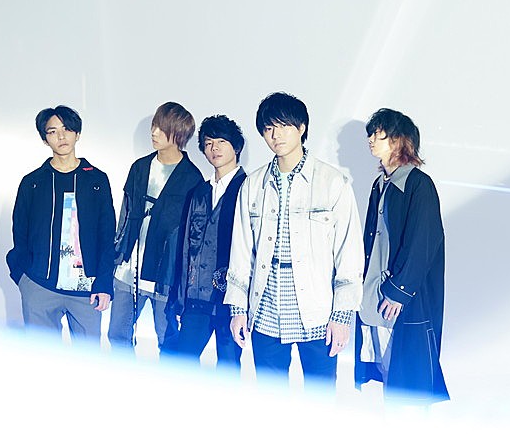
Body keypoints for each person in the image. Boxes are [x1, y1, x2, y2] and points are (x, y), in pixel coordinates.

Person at [224, 92, 363, 388]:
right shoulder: (253, 185)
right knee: (271, 399)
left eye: (284, 126)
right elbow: (241, 251)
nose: (276, 135)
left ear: (301, 128)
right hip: (266, 310)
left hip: (317, 312)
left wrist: (342, 315)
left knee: (319, 399)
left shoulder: (332, 182)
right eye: (269, 128)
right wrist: (237, 309)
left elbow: (349, 252)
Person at [354, 108, 449, 404]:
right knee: (387, 371)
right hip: (376, 295)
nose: (371, 140)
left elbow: (423, 242)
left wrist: (399, 291)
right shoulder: (380, 184)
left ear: (398, 140)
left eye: (378, 134)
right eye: (371, 134)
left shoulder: (418, 184)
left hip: (401, 299)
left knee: (409, 379)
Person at [6, 105, 116, 344]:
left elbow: (107, 235)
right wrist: (24, 278)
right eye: (52, 131)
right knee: (43, 358)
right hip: (40, 285)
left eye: (67, 129)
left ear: (77, 133)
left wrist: (105, 281)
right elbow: (20, 231)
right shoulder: (33, 182)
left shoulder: (97, 180)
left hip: (86, 288)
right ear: (45, 139)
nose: (61, 136)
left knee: (88, 359)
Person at [109, 102, 203, 352]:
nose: (154, 133)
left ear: (178, 134)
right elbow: (125, 215)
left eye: (162, 128)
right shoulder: (140, 167)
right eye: (154, 126)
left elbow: (191, 235)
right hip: (130, 267)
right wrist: (117, 255)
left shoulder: (192, 178)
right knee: (118, 333)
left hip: (166, 274)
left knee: (168, 340)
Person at [169, 115, 246, 370]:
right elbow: (184, 248)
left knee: (228, 368)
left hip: (231, 301)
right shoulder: (198, 192)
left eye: (221, 141)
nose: (215, 148)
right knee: (182, 365)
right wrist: (180, 297)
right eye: (209, 143)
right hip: (196, 298)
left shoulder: (248, 189)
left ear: (236, 147)